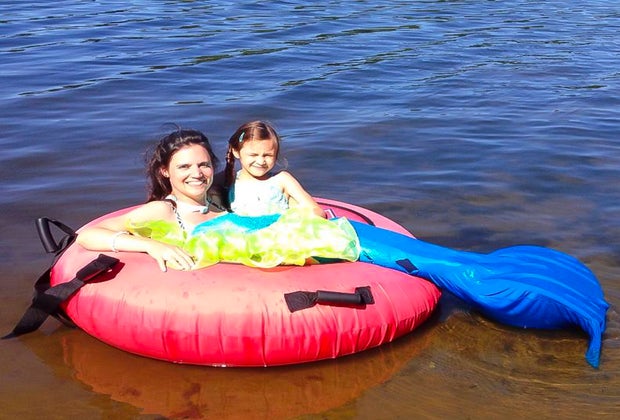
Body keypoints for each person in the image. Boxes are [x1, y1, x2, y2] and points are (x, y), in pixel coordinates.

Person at [77, 128, 226, 272]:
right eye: (184, 167)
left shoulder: (218, 202)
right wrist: (152, 245)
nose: (197, 173)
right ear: (165, 171)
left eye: (204, 165)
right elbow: (88, 235)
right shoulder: (163, 210)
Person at [223, 120, 325, 218]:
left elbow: (317, 211)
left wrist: (294, 219)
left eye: (268, 155)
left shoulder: (282, 179)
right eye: (253, 155)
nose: (261, 161)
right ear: (236, 151)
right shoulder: (227, 179)